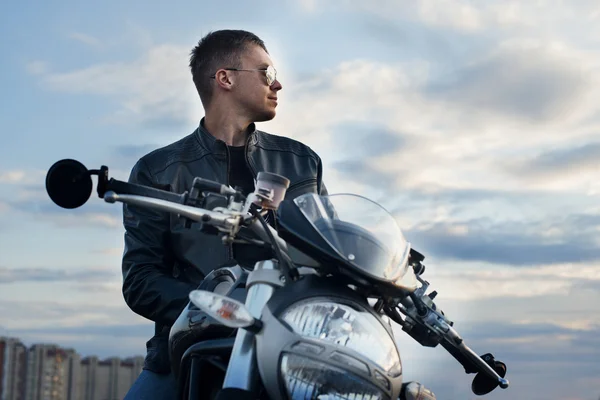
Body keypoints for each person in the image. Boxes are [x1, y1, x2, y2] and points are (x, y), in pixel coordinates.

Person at [120, 29, 328, 399]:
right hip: (187, 351)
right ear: (225, 78)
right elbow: (141, 279)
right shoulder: (158, 170)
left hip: (291, 349)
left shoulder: (302, 162)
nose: (277, 83)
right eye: (266, 72)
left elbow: (331, 254)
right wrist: (219, 310)